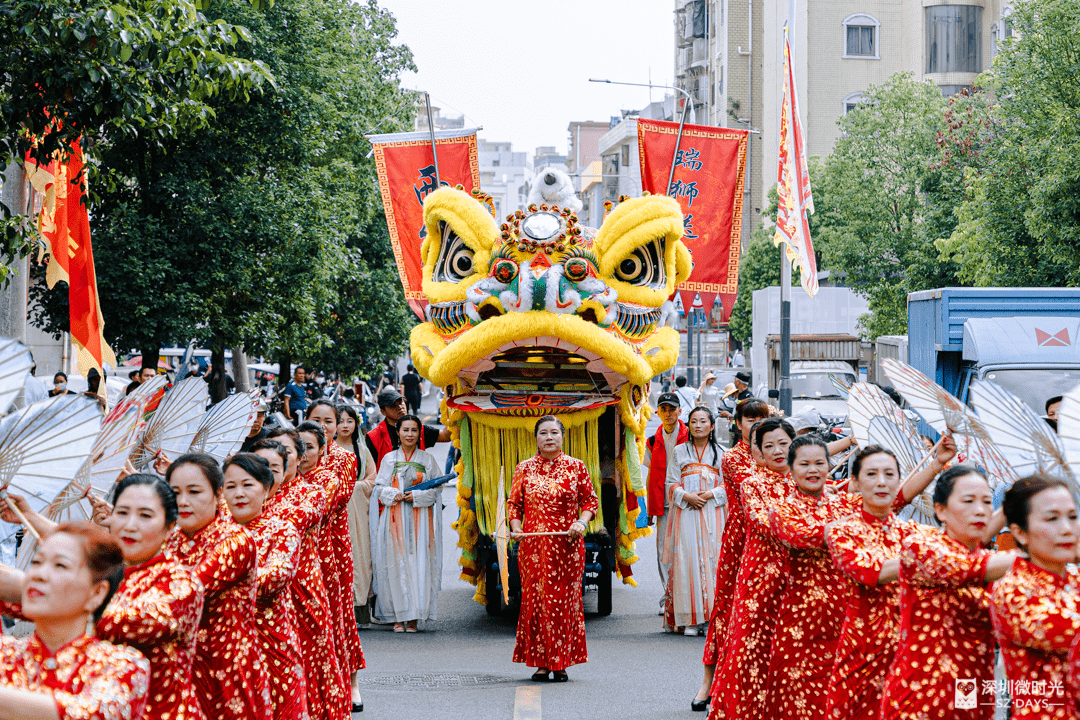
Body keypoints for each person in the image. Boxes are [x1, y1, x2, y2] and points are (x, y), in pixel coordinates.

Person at [3, 476, 206, 720]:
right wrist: (30, 517)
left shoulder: (180, 581)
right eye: (122, 513)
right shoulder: (8, 651)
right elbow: (74, 554)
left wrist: (24, 585)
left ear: (169, 525)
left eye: (145, 516)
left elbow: (126, 621)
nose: (130, 525)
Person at [881, 465, 1017, 720]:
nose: (980, 510)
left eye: (987, 501)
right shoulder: (920, 548)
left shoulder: (990, 561)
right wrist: (1041, 551)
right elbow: (965, 568)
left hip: (972, 695)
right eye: (968, 501)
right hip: (922, 696)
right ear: (940, 510)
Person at [0, 522, 150, 719]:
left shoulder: (123, 665)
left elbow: (89, 714)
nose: (39, 575)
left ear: (97, 593)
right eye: (36, 562)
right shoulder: (5, 653)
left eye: (60, 565)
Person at [164, 453, 272, 720]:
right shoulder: (168, 537)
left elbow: (188, 593)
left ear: (217, 493)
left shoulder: (234, 540)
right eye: (174, 492)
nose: (183, 501)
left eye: (194, 491)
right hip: (176, 667)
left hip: (226, 669)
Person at [823, 446, 926, 720]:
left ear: (898, 480)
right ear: (855, 482)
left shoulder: (914, 532)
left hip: (910, 652)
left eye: (889, 474)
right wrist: (924, 558)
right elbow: (870, 571)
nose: (882, 481)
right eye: (872, 473)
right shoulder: (840, 530)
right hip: (861, 651)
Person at [709, 418, 795, 720]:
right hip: (760, 584)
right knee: (749, 655)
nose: (777, 451)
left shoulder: (809, 483)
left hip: (800, 589)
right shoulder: (753, 484)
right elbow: (763, 521)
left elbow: (881, 497)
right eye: (769, 445)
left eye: (784, 443)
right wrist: (816, 530)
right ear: (756, 452)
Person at [763, 435, 851, 720]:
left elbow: (896, 498)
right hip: (801, 624)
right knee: (796, 702)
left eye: (819, 463)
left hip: (844, 619)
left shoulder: (843, 504)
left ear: (829, 466)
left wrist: (936, 464)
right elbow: (804, 536)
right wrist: (848, 526)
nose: (813, 470)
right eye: (804, 464)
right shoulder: (782, 510)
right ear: (791, 468)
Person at [261, 429, 346, 720]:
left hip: (303, 588)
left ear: (298, 458)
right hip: (263, 605)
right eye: (267, 460)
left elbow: (292, 522)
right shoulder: (248, 499)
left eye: (284, 454)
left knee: (314, 660)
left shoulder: (311, 493)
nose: (277, 462)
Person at [509, 416, 599, 682]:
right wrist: (516, 528)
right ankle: (541, 663)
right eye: (543, 433)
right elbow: (515, 504)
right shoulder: (524, 468)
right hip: (533, 548)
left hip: (567, 548)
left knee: (563, 602)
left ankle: (560, 663)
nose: (549, 437)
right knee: (537, 601)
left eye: (554, 433)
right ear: (536, 438)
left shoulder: (576, 467)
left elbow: (591, 502)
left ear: (562, 437)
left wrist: (581, 522)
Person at [695, 398, 771, 711]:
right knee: (726, 611)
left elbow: (806, 465)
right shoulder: (734, 458)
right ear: (738, 423)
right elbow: (750, 485)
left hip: (771, 542)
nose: (754, 424)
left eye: (761, 419)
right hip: (740, 540)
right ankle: (708, 683)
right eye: (749, 419)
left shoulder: (776, 451)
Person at [221, 453, 309, 720]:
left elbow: (275, 577)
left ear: (267, 488)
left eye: (248, 485)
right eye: (230, 486)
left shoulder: (282, 530)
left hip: (271, 644)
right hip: (222, 650)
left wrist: (215, 582)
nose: (239, 494)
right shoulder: (213, 532)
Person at [991, 474, 1080, 718]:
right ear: (1020, 533)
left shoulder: (1074, 578)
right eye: (1052, 518)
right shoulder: (1014, 590)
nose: (1066, 528)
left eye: (1072, 517)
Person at [302, 406, 365, 708]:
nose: (324, 425)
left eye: (329, 421)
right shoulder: (295, 457)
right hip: (301, 548)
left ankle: (350, 681)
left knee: (339, 614)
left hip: (333, 546)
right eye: (317, 420)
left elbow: (336, 499)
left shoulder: (344, 459)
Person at [371, 414, 443, 631]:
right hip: (394, 519)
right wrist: (395, 494)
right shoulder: (389, 459)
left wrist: (418, 497)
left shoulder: (427, 460)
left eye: (414, 430)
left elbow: (437, 488)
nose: (409, 434)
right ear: (398, 433)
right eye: (405, 430)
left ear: (419, 433)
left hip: (421, 521)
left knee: (419, 562)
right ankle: (397, 616)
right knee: (395, 562)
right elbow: (378, 487)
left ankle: (414, 616)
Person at [663, 407, 726, 636]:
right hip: (687, 512)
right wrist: (686, 496)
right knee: (687, 560)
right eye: (693, 421)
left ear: (711, 426)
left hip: (713, 513)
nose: (698, 425)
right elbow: (671, 481)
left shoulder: (721, 452)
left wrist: (709, 495)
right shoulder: (680, 451)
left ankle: (711, 618)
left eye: (703, 421)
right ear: (688, 425)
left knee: (713, 561)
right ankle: (691, 618)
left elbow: (727, 485)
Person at [645, 392, 688, 616]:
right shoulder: (652, 441)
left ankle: (685, 594)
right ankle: (668, 595)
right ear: (658, 413)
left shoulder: (690, 436)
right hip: (663, 504)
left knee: (686, 549)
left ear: (680, 411)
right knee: (664, 550)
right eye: (664, 409)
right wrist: (649, 508)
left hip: (687, 502)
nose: (668, 413)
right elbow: (651, 475)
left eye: (672, 409)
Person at [336, 404, 378, 626]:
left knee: (359, 556)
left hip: (358, 513)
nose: (345, 425)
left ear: (356, 423)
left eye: (349, 421)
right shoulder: (326, 449)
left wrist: (353, 488)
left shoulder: (362, 451)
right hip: (334, 513)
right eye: (340, 420)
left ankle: (358, 608)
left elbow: (373, 479)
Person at [365, 386, 450, 472]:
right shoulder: (374, 437)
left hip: (417, 483)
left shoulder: (419, 429)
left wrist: (452, 407)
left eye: (401, 402)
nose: (400, 407)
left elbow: (446, 436)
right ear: (383, 412)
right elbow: (369, 470)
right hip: (387, 484)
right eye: (393, 405)